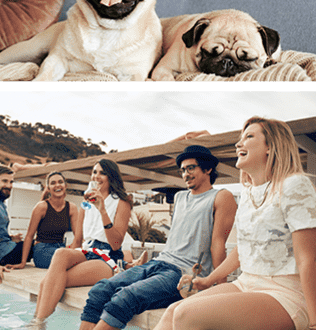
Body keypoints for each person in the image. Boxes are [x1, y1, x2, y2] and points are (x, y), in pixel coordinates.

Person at [153, 117, 316, 330]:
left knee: (186, 314)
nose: (238, 144)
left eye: (249, 137)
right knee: (172, 311)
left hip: (285, 291)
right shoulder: (247, 193)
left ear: (271, 146)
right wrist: (208, 279)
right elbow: (243, 250)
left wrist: (314, 321)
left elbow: (308, 258)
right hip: (247, 282)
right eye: (240, 138)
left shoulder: (294, 184)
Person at [78, 145, 237, 330]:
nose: (185, 174)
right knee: (100, 289)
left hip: (182, 273)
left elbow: (218, 244)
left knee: (126, 297)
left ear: (208, 169)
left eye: (191, 168)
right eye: (183, 170)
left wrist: (219, 288)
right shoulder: (180, 197)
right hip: (159, 263)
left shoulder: (221, 197)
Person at [22, 159, 136, 329]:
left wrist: (102, 210)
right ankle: (37, 323)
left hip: (107, 257)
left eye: (102, 173)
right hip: (87, 250)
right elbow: (78, 239)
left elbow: (116, 244)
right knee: (60, 254)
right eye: (94, 172)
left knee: (47, 283)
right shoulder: (86, 202)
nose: (96, 176)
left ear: (111, 177)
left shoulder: (122, 201)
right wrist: (69, 259)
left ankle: (37, 323)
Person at [11, 171, 84, 270]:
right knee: (65, 261)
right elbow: (29, 236)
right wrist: (23, 263)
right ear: (48, 188)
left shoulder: (72, 207)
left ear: (65, 185)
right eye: (53, 183)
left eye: (60, 182)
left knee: (82, 259)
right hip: (42, 251)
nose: (57, 185)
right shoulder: (41, 207)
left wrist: (77, 251)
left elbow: (78, 236)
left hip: (61, 249)